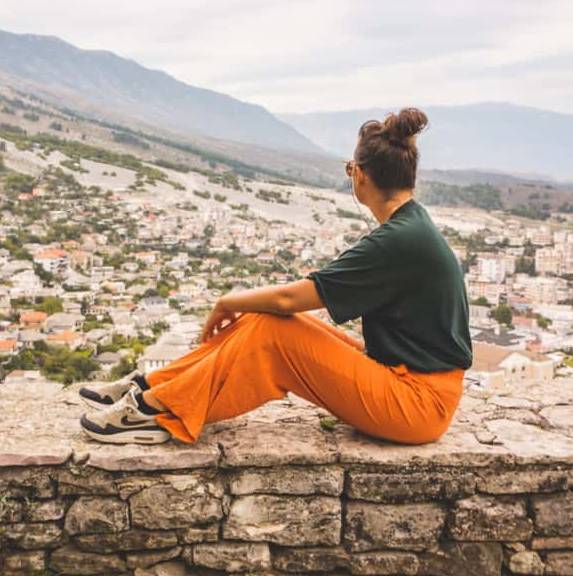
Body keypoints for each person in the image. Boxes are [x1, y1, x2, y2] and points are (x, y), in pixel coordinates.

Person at [79, 107, 472, 446]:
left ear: (361, 176)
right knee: (266, 318)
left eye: (350, 168)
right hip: (412, 388)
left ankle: (154, 411)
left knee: (275, 329)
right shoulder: (411, 229)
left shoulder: (400, 240)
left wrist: (225, 301)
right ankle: (152, 386)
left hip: (418, 405)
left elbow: (291, 298)